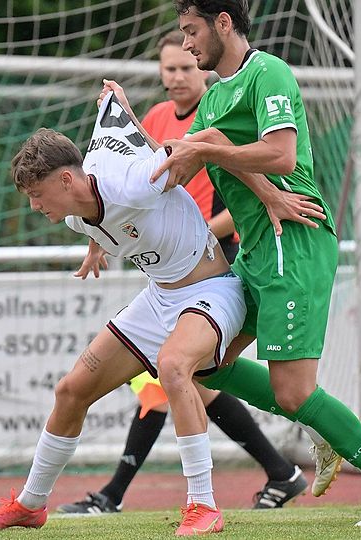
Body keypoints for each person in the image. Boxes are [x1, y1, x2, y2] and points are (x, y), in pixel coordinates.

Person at [0, 87, 304, 534]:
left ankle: (203, 506)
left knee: (173, 368)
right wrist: (97, 244)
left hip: (212, 290)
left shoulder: (134, 181)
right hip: (159, 297)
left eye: (37, 193)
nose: (34, 205)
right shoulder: (75, 216)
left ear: (66, 180)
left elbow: (209, 144)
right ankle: (31, 505)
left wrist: (269, 195)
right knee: (71, 390)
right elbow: (106, 212)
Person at [145, 0, 361, 527]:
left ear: (223, 23)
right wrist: (105, 206)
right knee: (206, 366)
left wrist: (221, 156)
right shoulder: (213, 98)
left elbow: (281, 155)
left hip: (291, 243)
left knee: (293, 391)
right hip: (255, 250)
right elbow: (197, 153)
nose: (186, 44)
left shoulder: (267, 72)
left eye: (191, 31)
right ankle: (323, 428)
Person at [56, 30, 305, 516]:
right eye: (168, 69)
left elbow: (245, 181)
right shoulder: (154, 118)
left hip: (215, 258)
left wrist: (205, 232)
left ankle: (114, 495)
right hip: (171, 266)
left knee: (167, 380)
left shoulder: (219, 113)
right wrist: (97, 239)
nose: (176, 76)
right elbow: (113, 190)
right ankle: (281, 471)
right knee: (194, 383)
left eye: (186, 67)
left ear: (202, 70)